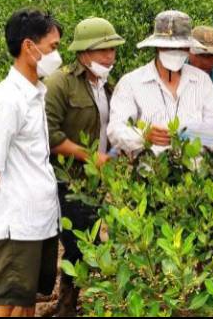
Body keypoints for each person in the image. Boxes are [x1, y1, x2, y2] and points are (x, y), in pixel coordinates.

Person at [0, 8, 63, 317]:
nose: (56, 54)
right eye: (53, 47)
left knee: (26, 300)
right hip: (19, 224)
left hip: (39, 220)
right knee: (4, 301)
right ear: (29, 46)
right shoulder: (5, 101)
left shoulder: (34, 95)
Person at [43, 17, 125, 316]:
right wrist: (92, 157)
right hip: (67, 181)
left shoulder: (107, 87)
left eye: (113, 50)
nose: (110, 57)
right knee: (79, 243)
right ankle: (66, 306)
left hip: (95, 182)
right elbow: (49, 135)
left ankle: (69, 302)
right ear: (83, 52)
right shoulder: (59, 83)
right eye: (103, 50)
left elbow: (111, 128)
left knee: (86, 243)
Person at [107, 10, 213, 155]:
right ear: (157, 47)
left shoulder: (202, 81)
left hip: (196, 172)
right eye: (168, 47)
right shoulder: (131, 83)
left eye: (181, 48)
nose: (175, 52)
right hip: (148, 172)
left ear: (188, 48)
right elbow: (115, 131)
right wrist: (143, 136)